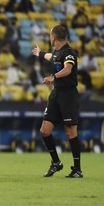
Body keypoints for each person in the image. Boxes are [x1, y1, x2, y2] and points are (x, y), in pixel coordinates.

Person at [32, 25, 83, 178]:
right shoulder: (57, 52)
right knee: (44, 130)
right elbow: (51, 57)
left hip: (68, 95)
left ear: (53, 37)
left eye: (50, 35)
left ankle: (77, 169)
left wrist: (53, 77)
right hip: (56, 95)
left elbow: (68, 69)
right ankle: (56, 163)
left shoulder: (69, 53)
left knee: (70, 131)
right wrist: (39, 53)